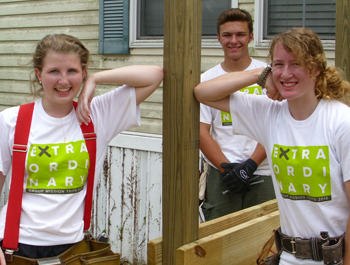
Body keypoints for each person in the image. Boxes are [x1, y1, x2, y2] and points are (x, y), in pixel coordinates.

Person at [0, 34, 163, 263]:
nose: (64, 81)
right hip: (17, 247)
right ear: (39, 74)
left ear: (83, 72)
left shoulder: (97, 114)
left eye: (72, 71)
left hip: (74, 249)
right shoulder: (11, 121)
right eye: (54, 71)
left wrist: (96, 79)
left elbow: (154, 74)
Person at [194, 27, 350, 264]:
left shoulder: (341, 121)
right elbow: (203, 92)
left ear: (316, 68)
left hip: (333, 258)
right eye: (279, 64)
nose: (286, 74)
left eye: (296, 64)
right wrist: (261, 74)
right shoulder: (269, 113)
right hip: (288, 256)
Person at [199, 8, 275, 221]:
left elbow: (276, 124)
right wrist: (227, 168)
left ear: (251, 37)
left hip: (264, 171)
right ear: (218, 38)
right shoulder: (208, 80)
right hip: (222, 173)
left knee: (264, 242)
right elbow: (202, 130)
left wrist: (251, 164)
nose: (234, 41)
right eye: (227, 35)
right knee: (220, 242)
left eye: (240, 34)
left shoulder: (270, 76)